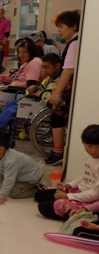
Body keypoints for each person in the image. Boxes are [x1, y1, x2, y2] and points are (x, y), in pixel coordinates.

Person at [0, 53, 62, 136]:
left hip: (44, 106)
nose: (44, 70)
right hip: (36, 100)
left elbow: (50, 96)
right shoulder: (49, 78)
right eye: (43, 67)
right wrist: (35, 88)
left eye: (47, 67)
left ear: (57, 66)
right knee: (12, 103)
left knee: (14, 109)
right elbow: (41, 88)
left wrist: (38, 92)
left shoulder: (59, 81)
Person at [35, 125, 99, 219]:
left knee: (43, 207)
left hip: (91, 200)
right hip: (80, 192)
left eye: (98, 146)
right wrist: (69, 185)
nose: (94, 150)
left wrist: (68, 196)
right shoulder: (89, 157)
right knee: (39, 196)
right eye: (89, 146)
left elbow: (95, 194)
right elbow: (85, 176)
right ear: (83, 143)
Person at [45, 10, 81, 166]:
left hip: (70, 88)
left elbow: (68, 70)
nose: (59, 31)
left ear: (74, 26)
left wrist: (57, 92)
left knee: (57, 118)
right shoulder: (75, 41)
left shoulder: (75, 43)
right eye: (58, 27)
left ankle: (58, 152)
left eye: (62, 26)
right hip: (72, 86)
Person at [0, 130, 43, 206]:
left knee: (13, 193)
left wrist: (2, 196)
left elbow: (9, 180)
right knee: (4, 184)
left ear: (0, 149)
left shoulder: (10, 161)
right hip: (20, 176)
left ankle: (37, 190)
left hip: (31, 178)